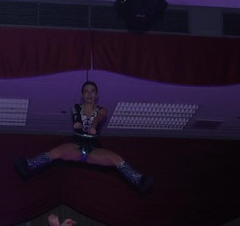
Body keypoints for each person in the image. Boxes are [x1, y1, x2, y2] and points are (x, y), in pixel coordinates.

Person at [14, 81, 152, 192]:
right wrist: (78, 124)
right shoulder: (76, 107)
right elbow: (77, 120)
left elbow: (99, 117)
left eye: (92, 91)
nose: (89, 94)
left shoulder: (102, 109)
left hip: (93, 149)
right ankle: (29, 165)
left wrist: (93, 126)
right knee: (55, 152)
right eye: (86, 91)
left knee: (116, 158)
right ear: (82, 94)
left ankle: (139, 180)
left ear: (96, 94)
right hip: (76, 146)